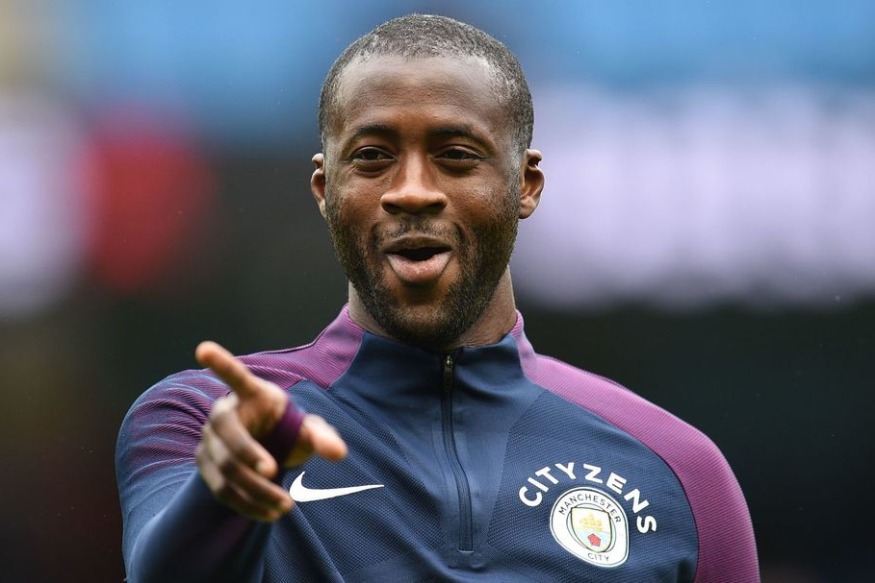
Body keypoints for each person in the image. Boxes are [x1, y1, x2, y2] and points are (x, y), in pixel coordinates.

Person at [116, 14, 759, 582]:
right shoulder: (202, 419)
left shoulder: (679, 470)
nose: (412, 191)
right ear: (325, 189)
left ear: (525, 184)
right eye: (373, 157)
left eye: (455, 155)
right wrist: (225, 494)